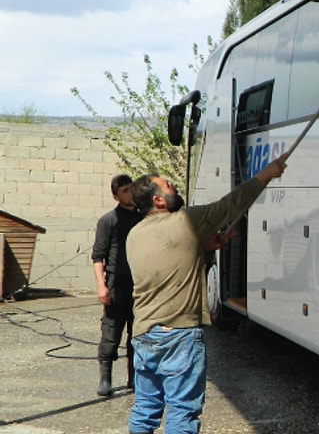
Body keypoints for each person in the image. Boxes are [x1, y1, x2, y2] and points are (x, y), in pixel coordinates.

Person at [126, 152, 289, 434]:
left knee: (145, 408)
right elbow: (230, 205)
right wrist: (267, 173)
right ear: (159, 201)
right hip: (178, 336)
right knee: (182, 411)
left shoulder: (135, 234)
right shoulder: (185, 220)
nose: (174, 186)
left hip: (143, 334)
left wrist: (204, 248)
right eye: (168, 186)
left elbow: (167, 262)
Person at [91, 174, 143, 396]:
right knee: (111, 333)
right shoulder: (108, 221)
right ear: (115, 196)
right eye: (124, 190)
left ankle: (135, 379)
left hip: (140, 284)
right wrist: (101, 286)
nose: (129, 193)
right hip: (116, 284)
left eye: (131, 189)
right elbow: (97, 256)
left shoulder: (143, 219)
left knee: (138, 335)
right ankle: (106, 378)